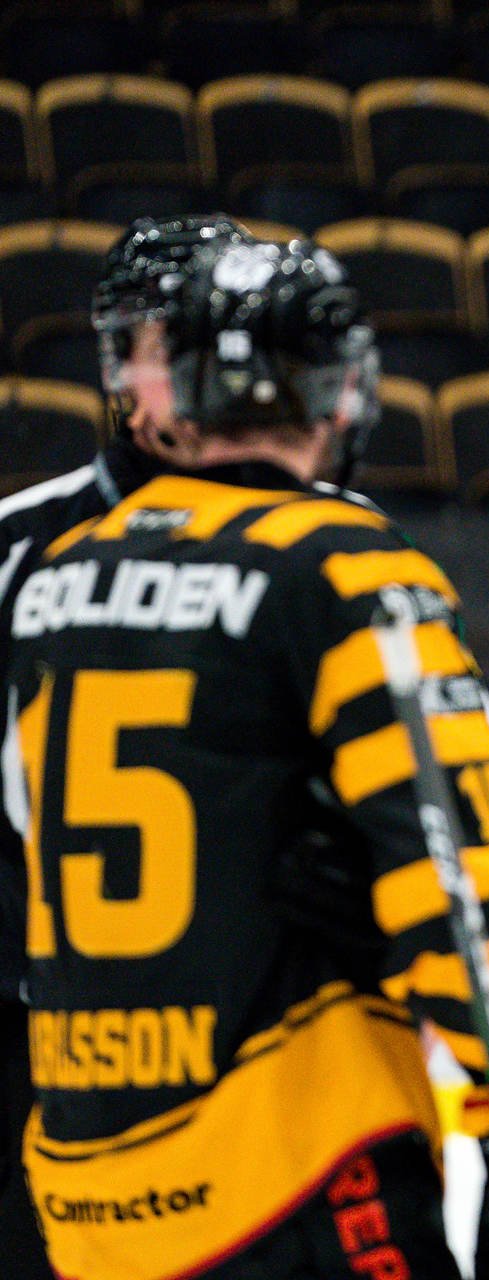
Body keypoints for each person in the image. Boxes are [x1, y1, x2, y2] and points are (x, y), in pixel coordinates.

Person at [2, 234, 489, 1279]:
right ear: (338, 391)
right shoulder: (342, 557)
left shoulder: (57, 571)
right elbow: (453, 877)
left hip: (84, 1171)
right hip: (294, 1154)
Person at [0, 211, 251, 1277]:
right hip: (44, 1046)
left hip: (260, 1051)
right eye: (168, 342)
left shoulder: (339, 541)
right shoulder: (17, 545)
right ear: (115, 357)